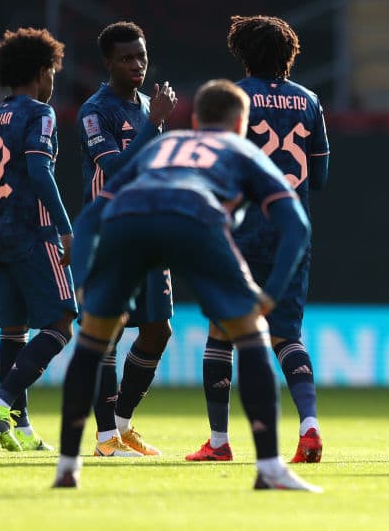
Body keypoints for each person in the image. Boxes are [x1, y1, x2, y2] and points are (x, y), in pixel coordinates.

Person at [53, 79, 320, 492]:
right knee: (250, 335)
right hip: (195, 216)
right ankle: (269, 468)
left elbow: (91, 215)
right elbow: (296, 224)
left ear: (194, 120)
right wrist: (271, 292)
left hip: (128, 221)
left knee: (93, 339)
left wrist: (85, 282)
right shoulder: (241, 149)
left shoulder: (162, 144)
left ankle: (68, 467)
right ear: (240, 124)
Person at [184, 15, 330, 464]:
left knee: (220, 335)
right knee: (287, 336)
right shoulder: (309, 101)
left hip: (238, 233)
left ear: (243, 53)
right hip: (290, 231)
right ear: (289, 53)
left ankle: (219, 441)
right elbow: (320, 176)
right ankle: (309, 429)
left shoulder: (233, 99)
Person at [0, 27, 76, 452]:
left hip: (0, 237)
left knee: (13, 333)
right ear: (40, 70)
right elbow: (39, 171)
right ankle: (1, 402)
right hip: (35, 234)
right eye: (52, 71)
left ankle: (21, 429)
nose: (53, 81)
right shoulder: (39, 113)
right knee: (62, 323)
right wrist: (65, 227)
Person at [75, 21, 177, 457]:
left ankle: (121, 424)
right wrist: (154, 123)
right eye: (127, 58)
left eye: (142, 55)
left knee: (159, 330)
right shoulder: (95, 111)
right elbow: (115, 170)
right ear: (108, 63)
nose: (137, 64)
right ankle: (103, 439)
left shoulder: (146, 107)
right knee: (107, 333)